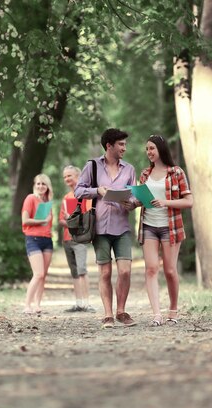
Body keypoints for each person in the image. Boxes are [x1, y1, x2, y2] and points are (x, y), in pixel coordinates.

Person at [75, 128, 138, 328]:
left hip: (122, 226)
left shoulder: (129, 169)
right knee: (104, 273)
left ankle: (121, 311)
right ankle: (108, 314)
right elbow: (78, 190)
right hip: (100, 228)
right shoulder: (92, 166)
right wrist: (97, 191)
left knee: (125, 271)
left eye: (125, 144)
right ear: (109, 146)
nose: (124, 148)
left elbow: (135, 195)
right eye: (121, 144)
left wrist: (134, 203)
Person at [137, 135, 193, 326]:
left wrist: (165, 202)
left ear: (161, 148)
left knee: (169, 270)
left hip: (170, 226)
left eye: (152, 148)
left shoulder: (176, 172)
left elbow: (189, 201)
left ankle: (173, 310)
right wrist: (132, 201)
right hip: (149, 226)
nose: (149, 152)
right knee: (151, 268)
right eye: (147, 149)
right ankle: (156, 314)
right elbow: (141, 199)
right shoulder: (145, 174)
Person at [58, 165, 95, 313]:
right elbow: (61, 220)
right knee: (74, 271)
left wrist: (73, 221)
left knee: (82, 270)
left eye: (69, 176)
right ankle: (79, 303)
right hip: (67, 239)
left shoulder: (84, 196)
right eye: (65, 177)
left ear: (78, 177)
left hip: (79, 239)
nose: (67, 179)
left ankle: (87, 303)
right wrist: (69, 221)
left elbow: (87, 218)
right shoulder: (66, 198)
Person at [21, 174, 54, 314]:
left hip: (47, 240)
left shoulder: (47, 202)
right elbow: (25, 220)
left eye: (44, 184)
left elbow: (48, 223)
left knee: (43, 275)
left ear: (47, 187)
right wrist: (42, 221)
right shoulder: (30, 198)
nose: (41, 186)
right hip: (33, 239)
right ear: (34, 185)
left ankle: (37, 305)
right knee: (38, 274)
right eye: (38, 184)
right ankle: (27, 305)